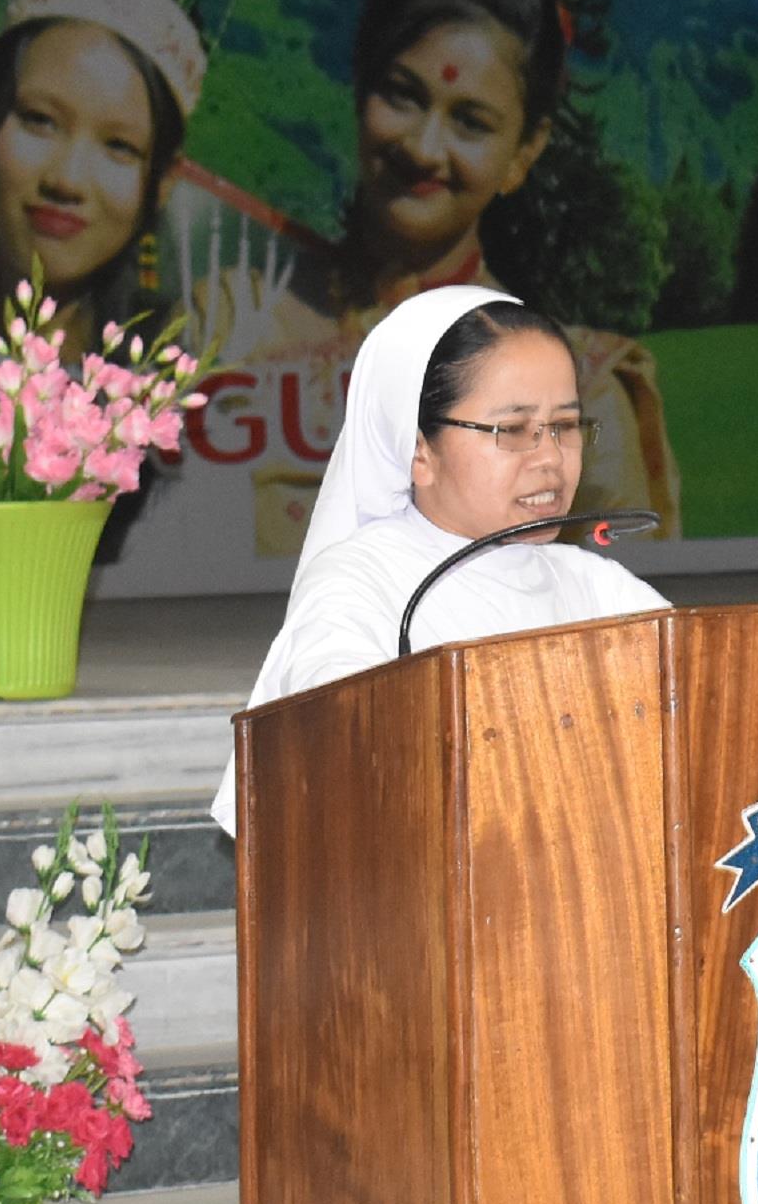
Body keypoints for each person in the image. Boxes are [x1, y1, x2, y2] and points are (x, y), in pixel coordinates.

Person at [253, 0, 679, 532]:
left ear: (523, 153)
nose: (425, 148)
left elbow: (623, 620)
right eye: (402, 95)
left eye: (471, 122)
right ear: (359, 87)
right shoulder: (231, 323)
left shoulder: (582, 397)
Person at [216, 287, 669, 828]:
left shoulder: (597, 585)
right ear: (418, 452)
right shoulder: (360, 581)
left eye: (565, 426)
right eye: (513, 430)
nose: (550, 457)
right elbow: (343, 746)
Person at [0, 0, 202, 356]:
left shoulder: (169, 403)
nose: (67, 180)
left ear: (161, 183)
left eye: (119, 147)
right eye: (40, 120)